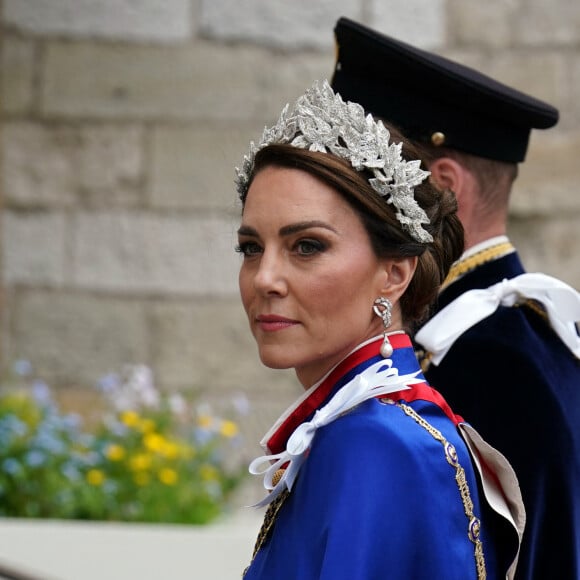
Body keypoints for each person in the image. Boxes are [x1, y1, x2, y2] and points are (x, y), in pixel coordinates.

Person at [235, 80, 524, 580]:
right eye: (251, 248)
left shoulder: (377, 444)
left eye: (306, 246)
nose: (265, 279)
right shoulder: (360, 426)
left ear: (395, 273)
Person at [330, 17, 580, 580]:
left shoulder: (492, 357)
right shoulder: (520, 332)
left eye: (365, 178)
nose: (340, 200)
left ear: (441, 185)